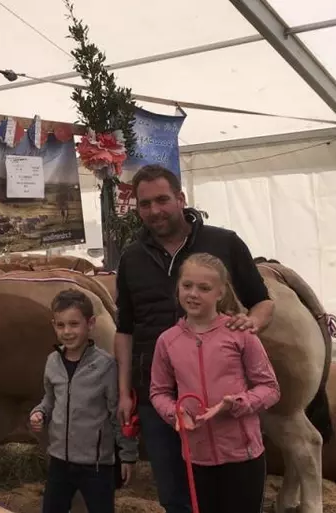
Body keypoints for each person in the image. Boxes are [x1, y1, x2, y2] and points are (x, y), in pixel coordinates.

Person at [113, 164, 275, 513]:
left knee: (226, 490)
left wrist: (251, 326)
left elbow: (262, 301)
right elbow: (125, 328)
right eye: (145, 204)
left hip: (218, 394)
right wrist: (124, 391)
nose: (154, 211)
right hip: (157, 397)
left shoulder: (224, 242)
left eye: (162, 200)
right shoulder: (131, 257)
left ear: (180, 198)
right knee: (174, 493)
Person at [150, 253, 280, 513]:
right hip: (196, 457)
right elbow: (159, 391)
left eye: (204, 288)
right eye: (187, 286)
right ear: (178, 287)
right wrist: (175, 413)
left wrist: (236, 404)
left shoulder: (240, 335)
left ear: (220, 292)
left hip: (243, 456)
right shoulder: (168, 341)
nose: (193, 294)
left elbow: (270, 388)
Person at [30, 289, 137, 513]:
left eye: (74, 324)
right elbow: (49, 400)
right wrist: (40, 413)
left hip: (96, 466)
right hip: (59, 460)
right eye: (61, 325)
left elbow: (117, 413)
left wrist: (127, 456)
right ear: (53, 325)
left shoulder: (106, 366)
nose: (67, 332)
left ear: (90, 324)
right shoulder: (52, 362)